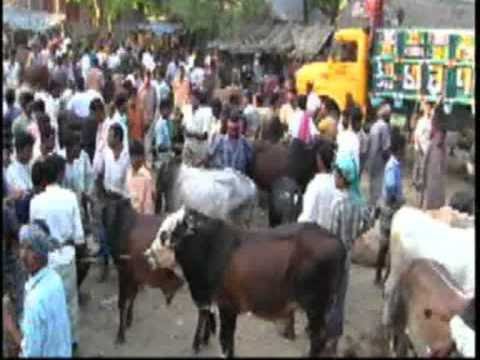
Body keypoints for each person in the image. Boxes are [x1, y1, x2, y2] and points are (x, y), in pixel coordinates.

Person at [29, 154, 85, 353]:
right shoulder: (70, 197)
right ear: (61, 174)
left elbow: (33, 238)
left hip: (46, 264)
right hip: (66, 259)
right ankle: (71, 345)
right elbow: (79, 237)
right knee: (70, 304)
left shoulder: (35, 202)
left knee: (50, 308)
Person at [325, 152, 371, 355]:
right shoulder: (359, 202)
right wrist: (354, 236)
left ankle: (326, 339)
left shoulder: (338, 204)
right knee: (340, 300)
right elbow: (367, 223)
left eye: (336, 174)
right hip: (347, 257)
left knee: (329, 299)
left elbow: (330, 236)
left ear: (344, 178)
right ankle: (335, 341)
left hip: (333, 259)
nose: (334, 177)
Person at [3, 221, 72, 357]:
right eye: (22, 247)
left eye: (30, 249)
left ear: (42, 254)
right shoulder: (54, 278)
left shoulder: (35, 300)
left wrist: (10, 327)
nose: (22, 255)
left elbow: (31, 354)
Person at [375, 127, 406, 285]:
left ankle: (381, 275)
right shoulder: (392, 167)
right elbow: (391, 187)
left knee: (387, 245)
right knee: (386, 244)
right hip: (390, 208)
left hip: (389, 206)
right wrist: (399, 201)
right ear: (399, 150)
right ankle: (380, 276)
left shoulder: (394, 165)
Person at [297, 138, 337, 228]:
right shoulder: (338, 185)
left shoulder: (315, 186)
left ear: (319, 161)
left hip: (317, 236)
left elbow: (306, 218)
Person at [206, 110, 253, 175]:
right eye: (231, 129)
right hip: (222, 179)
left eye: (236, 129)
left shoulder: (246, 144)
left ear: (240, 128)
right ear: (227, 127)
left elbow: (249, 166)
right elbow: (209, 158)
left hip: (239, 181)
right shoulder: (219, 141)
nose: (233, 133)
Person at [365, 102, 391, 207]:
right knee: (379, 187)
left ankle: (371, 207)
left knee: (372, 186)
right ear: (387, 115)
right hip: (379, 161)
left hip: (371, 160)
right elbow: (386, 147)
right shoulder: (384, 127)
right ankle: (375, 209)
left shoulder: (374, 126)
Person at [421, 107, 447, 210]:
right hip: (437, 189)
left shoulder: (437, 142)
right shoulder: (440, 141)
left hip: (433, 191)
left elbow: (434, 170)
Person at [182, 90, 214, 167]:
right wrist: (184, 132)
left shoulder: (205, 113)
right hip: (187, 147)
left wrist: (191, 134)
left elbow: (205, 136)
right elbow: (183, 126)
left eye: (194, 99)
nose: (192, 101)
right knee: (185, 172)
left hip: (199, 151)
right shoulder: (187, 110)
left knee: (198, 173)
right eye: (191, 98)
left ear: (198, 100)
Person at [100, 123, 131, 198]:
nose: (107, 139)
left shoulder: (127, 157)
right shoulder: (106, 153)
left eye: (110, 136)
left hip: (122, 200)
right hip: (107, 198)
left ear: (117, 138)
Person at [412, 100, 434, 204]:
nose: (427, 109)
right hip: (421, 149)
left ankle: (420, 199)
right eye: (426, 107)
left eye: (428, 107)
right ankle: (418, 199)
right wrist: (420, 148)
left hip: (427, 149)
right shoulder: (421, 121)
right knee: (420, 171)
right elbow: (416, 136)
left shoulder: (431, 121)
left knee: (424, 173)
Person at [126, 141, 156, 215]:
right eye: (131, 156)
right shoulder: (128, 173)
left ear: (141, 157)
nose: (132, 159)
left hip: (142, 217)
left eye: (135, 156)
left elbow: (148, 205)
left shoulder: (146, 177)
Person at [5, 132, 34, 198]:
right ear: (20, 150)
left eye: (31, 150)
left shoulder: (32, 166)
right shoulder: (11, 171)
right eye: (28, 151)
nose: (31, 154)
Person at [336, 106, 361, 174]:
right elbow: (356, 162)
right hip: (349, 174)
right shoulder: (353, 138)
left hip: (340, 173)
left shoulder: (340, 134)